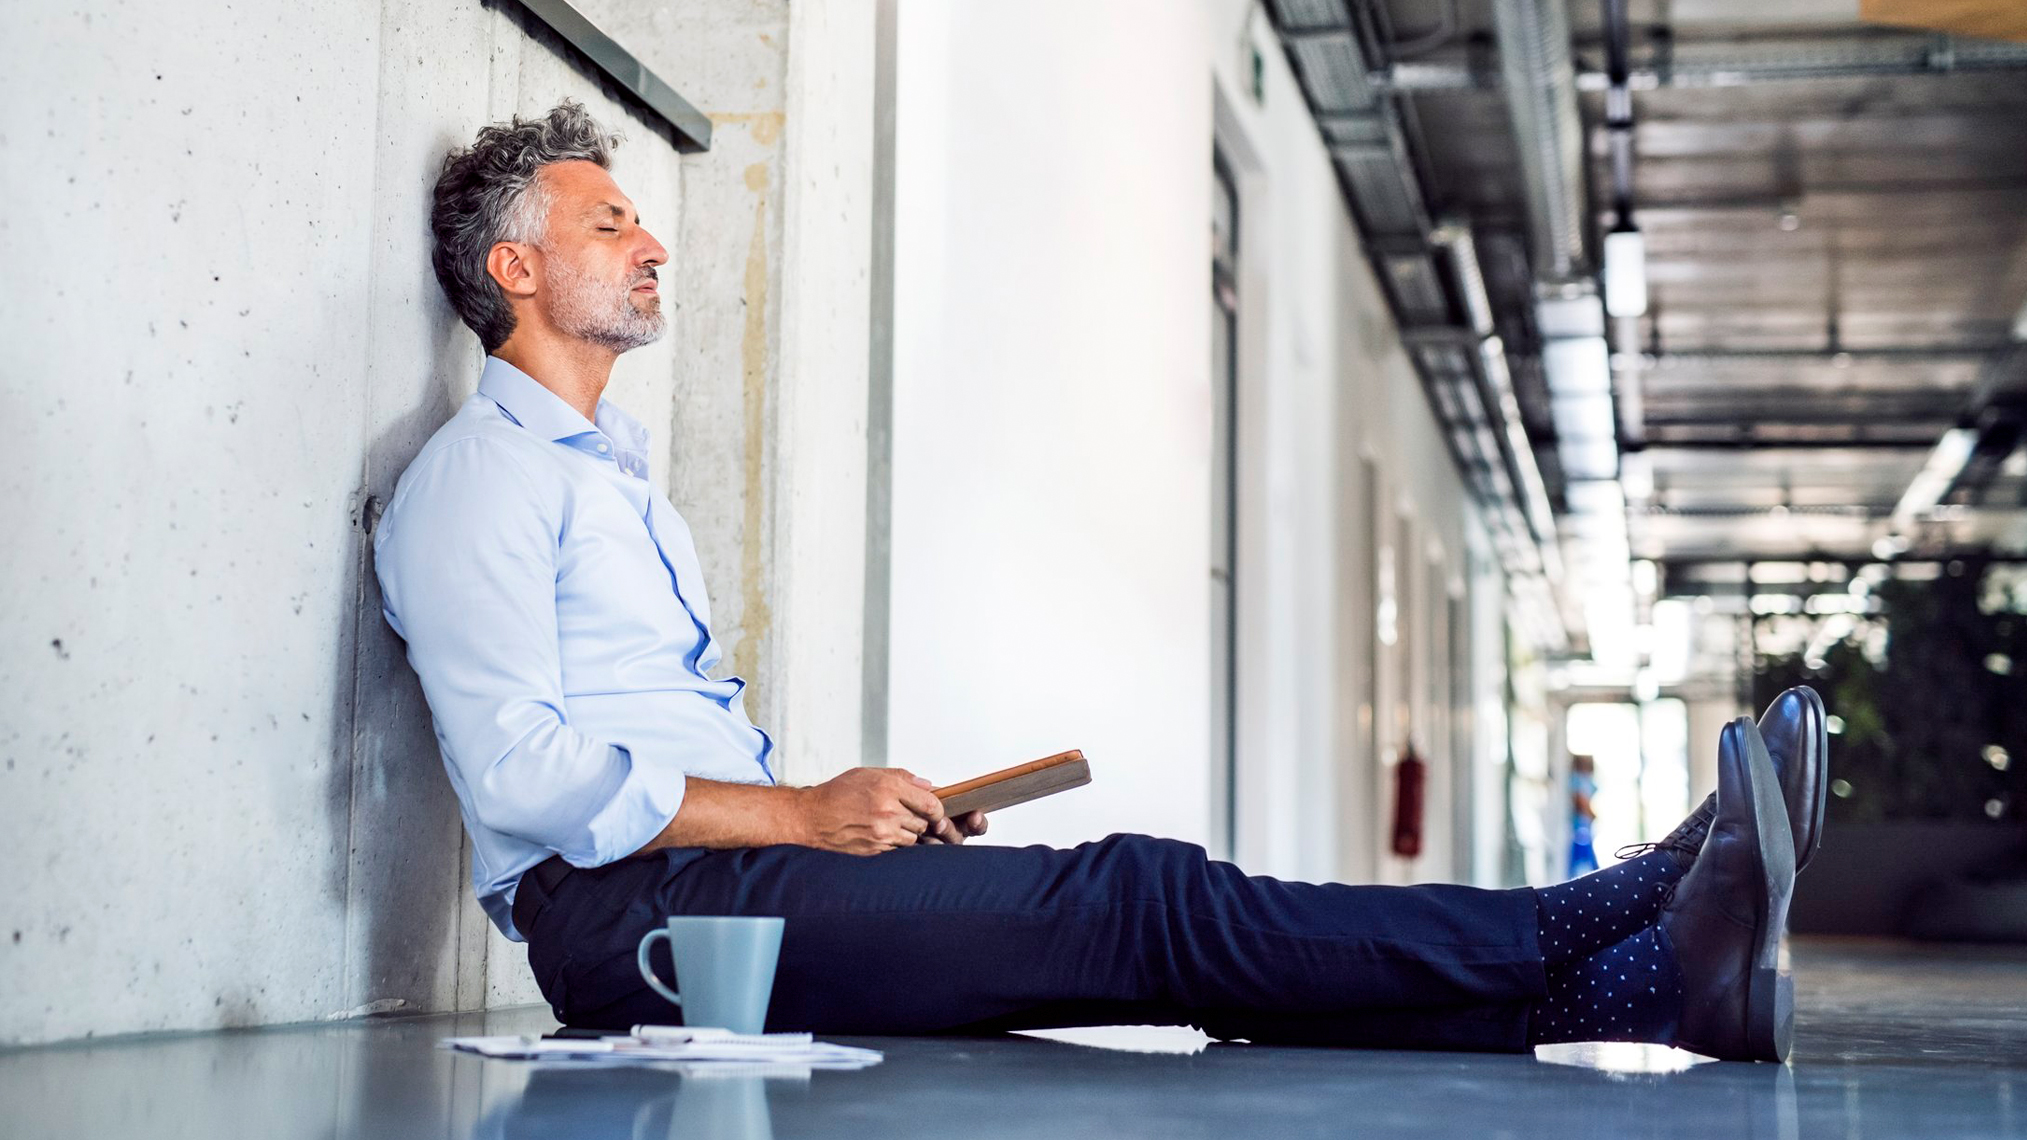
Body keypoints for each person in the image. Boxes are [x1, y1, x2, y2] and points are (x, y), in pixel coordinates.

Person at [373, 102, 1828, 1063]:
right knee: (1142, 903)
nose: (651, 242)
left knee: (1149, 943)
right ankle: (1606, 914)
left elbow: (651, 754)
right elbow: (521, 773)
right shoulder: (474, 480)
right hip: (632, 929)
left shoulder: (612, 476)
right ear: (514, 265)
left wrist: (833, 830)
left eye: (640, 218)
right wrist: (806, 815)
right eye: (608, 223)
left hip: (717, 887)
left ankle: (1646, 991)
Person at [1569, 753, 1599, 877]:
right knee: (1585, 861)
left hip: (1584, 826)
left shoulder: (1582, 779)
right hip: (1580, 827)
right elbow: (1581, 800)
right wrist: (1592, 814)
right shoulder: (1578, 780)